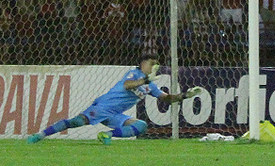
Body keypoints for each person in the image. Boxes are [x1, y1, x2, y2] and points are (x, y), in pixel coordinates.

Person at [27, 55, 200, 144]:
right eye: (149, 63)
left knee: (141, 126)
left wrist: (185, 95)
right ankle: (40, 135)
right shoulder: (135, 73)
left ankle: (106, 135)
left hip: (116, 114)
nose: (152, 65)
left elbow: (167, 99)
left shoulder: (151, 85)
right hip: (103, 107)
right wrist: (145, 80)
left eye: (154, 63)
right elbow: (128, 85)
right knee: (75, 122)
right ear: (142, 64)